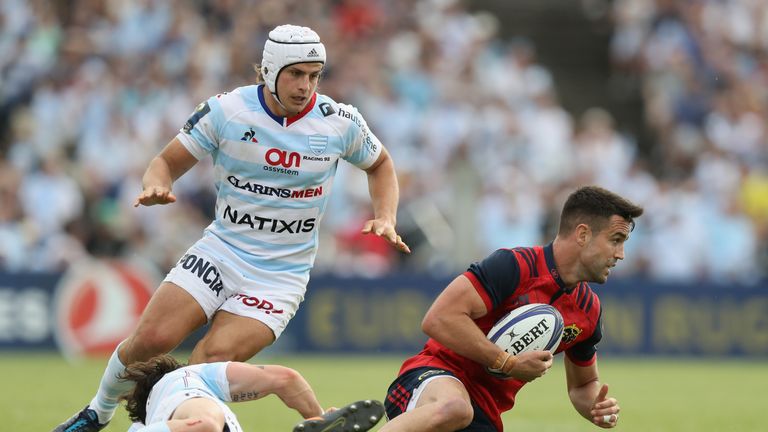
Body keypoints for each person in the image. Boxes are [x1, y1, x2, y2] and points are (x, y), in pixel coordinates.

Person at [54, 24, 410, 432]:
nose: (305, 86)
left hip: (279, 276)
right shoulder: (227, 111)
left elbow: (380, 164)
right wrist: (158, 183)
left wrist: (386, 215)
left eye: (314, 75)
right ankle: (97, 413)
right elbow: (166, 161)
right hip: (221, 252)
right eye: (296, 74)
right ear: (270, 71)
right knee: (150, 340)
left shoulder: (340, 121)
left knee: (207, 362)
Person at [380, 185, 644, 431]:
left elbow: (583, 385)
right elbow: (438, 319)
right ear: (583, 234)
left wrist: (596, 406)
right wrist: (506, 362)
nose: (620, 254)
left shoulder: (589, 311)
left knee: (463, 412)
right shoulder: (515, 266)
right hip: (431, 378)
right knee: (456, 408)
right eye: (615, 240)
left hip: (484, 413)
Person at [117, 354, 385, 432]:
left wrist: (318, 421)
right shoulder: (181, 379)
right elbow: (206, 424)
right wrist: (317, 417)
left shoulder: (174, 392)